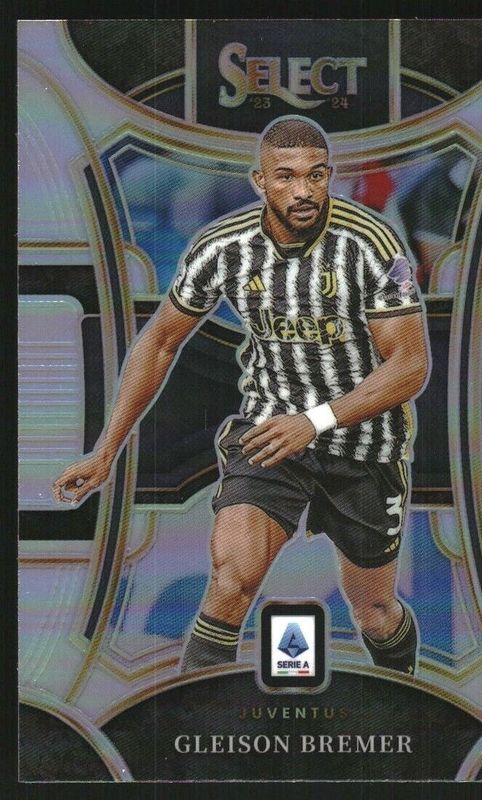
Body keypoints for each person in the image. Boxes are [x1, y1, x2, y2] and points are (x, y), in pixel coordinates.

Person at [53, 116, 430, 676]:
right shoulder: (223, 246)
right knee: (231, 582)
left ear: (329, 177)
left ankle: (401, 701)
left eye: (315, 175)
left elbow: (410, 364)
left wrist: (315, 420)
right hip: (270, 435)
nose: (303, 191)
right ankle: (195, 714)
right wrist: (106, 450)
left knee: (374, 612)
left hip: (365, 445)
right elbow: (160, 342)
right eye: (286, 177)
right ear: (260, 182)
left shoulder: (371, 243)